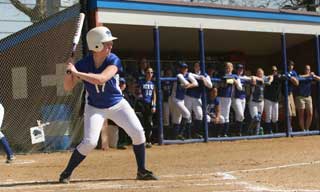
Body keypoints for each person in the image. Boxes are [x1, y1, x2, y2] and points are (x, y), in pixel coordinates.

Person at [60, 26, 158, 183]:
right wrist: (68, 71)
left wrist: (76, 73)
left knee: (138, 133)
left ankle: (142, 170)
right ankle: (66, 173)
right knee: (90, 142)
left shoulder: (113, 59)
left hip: (117, 104)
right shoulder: (83, 64)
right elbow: (67, 87)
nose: (110, 46)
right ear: (96, 45)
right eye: (106, 43)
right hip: (94, 107)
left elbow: (101, 79)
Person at [170, 63, 198, 140]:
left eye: (185, 68)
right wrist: (189, 84)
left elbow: (196, 83)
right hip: (175, 99)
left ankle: (174, 137)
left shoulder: (187, 75)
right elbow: (188, 83)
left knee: (177, 119)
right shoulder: (179, 75)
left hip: (181, 100)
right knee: (187, 114)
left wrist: (188, 84)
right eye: (183, 68)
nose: (184, 69)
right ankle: (180, 134)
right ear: (180, 69)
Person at [185, 62, 212, 138]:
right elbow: (191, 75)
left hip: (197, 97)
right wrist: (200, 77)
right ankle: (188, 134)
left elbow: (210, 85)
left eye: (198, 66)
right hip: (188, 96)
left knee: (199, 115)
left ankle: (195, 132)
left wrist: (204, 79)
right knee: (188, 115)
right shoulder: (191, 73)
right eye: (196, 66)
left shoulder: (205, 75)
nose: (197, 67)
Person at [217, 62, 242, 137]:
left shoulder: (234, 76)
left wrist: (236, 82)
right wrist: (232, 81)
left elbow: (240, 88)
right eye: (227, 67)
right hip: (220, 97)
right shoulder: (222, 74)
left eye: (229, 67)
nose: (228, 69)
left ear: (232, 68)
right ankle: (218, 133)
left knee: (226, 116)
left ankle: (224, 133)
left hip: (228, 98)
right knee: (219, 115)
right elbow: (223, 80)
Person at [248, 68, 273, 135]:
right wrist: (260, 79)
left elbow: (271, 76)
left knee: (259, 118)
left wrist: (269, 80)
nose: (260, 74)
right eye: (258, 73)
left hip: (261, 102)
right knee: (255, 118)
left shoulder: (264, 78)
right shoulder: (254, 78)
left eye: (261, 73)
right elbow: (252, 77)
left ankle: (256, 133)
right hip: (253, 102)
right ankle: (250, 129)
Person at [296, 65, 320, 131]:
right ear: (304, 70)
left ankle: (307, 129)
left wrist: (314, 76)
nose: (308, 70)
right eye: (306, 69)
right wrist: (309, 75)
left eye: (309, 69)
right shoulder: (301, 76)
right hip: (300, 97)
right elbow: (298, 77)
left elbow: (318, 79)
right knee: (301, 115)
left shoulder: (311, 77)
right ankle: (303, 130)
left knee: (310, 114)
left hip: (308, 97)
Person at [137, 67, 156, 148]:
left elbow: (154, 95)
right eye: (148, 72)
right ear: (145, 73)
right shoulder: (141, 82)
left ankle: (148, 141)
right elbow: (137, 92)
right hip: (142, 104)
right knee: (141, 123)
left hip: (149, 105)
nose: (149, 74)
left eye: (151, 72)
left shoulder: (153, 83)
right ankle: (141, 141)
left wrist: (154, 105)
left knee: (149, 123)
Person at [231, 64, 251, 136]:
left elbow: (251, 78)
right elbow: (227, 80)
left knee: (239, 117)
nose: (240, 70)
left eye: (241, 69)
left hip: (243, 98)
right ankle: (236, 131)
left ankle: (237, 132)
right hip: (235, 98)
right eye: (239, 69)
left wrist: (254, 78)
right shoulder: (234, 76)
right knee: (241, 115)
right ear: (236, 70)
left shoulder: (244, 77)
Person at [264, 66, 282, 134]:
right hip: (268, 99)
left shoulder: (278, 77)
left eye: (275, 71)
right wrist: (270, 78)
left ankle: (276, 131)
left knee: (275, 117)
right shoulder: (267, 77)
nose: (274, 72)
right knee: (268, 116)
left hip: (275, 99)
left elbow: (283, 77)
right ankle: (269, 131)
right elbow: (267, 79)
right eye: (272, 71)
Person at [287, 60, 299, 129]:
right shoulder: (285, 71)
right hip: (285, 94)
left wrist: (292, 78)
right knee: (289, 112)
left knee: (293, 112)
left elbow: (297, 83)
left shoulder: (294, 72)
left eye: (292, 65)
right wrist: (291, 78)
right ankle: (289, 128)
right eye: (289, 65)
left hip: (290, 94)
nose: (291, 66)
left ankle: (290, 126)